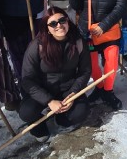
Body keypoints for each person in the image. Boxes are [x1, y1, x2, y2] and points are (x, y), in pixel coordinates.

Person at [67, 0, 127, 110]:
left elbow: (121, 7)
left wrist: (104, 25)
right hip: (87, 31)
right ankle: (99, 88)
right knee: (93, 64)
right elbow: (77, 4)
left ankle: (108, 91)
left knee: (112, 61)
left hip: (108, 30)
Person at [19, 8, 91, 142]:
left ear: (67, 21)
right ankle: (39, 127)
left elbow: (85, 71)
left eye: (62, 20)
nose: (59, 25)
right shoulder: (37, 45)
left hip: (67, 90)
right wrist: (49, 101)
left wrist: (74, 93)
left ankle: (61, 119)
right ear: (47, 28)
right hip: (42, 91)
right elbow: (27, 79)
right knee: (26, 112)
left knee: (81, 112)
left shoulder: (78, 42)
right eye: (53, 24)